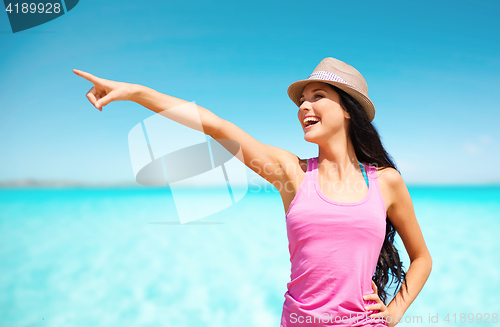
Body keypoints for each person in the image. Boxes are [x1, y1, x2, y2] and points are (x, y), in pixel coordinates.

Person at [73, 57, 432, 327]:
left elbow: (421, 259)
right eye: (301, 101)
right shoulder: (292, 173)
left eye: (317, 96)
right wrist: (135, 93)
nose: (304, 107)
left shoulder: (385, 181)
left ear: (348, 110)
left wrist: (396, 310)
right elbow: (215, 125)